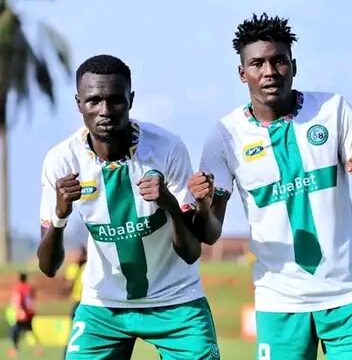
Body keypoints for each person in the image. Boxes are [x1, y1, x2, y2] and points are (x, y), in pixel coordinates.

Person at [190, 13, 352, 360]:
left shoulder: (333, 110)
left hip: (348, 295)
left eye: (278, 61)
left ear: (293, 66)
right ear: (242, 73)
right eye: (257, 63)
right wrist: (204, 205)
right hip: (278, 301)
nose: (269, 71)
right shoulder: (225, 136)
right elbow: (209, 234)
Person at [36, 55, 220, 360]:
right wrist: (59, 216)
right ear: (78, 103)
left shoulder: (166, 147)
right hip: (103, 307)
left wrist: (169, 204)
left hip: (176, 300)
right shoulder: (61, 161)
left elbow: (191, 252)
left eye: (115, 100)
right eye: (94, 101)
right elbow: (48, 266)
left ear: (130, 100)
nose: (105, 111)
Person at [7, 272, 42, 359]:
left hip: (21, 313)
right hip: (29, 313)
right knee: (30, 331)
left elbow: (18, 301)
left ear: (19, 279)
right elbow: (32, 300)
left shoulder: (18, 288)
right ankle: (38, 348)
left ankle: (15, 349)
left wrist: (19, 312)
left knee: (14, 332)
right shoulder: (29, 288)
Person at [62, 246, 86, 358]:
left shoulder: (89, 266)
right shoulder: (74, 268)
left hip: (88, 302)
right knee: (75, 332)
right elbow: (68, 286)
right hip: (78, 302)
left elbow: (68, 286)